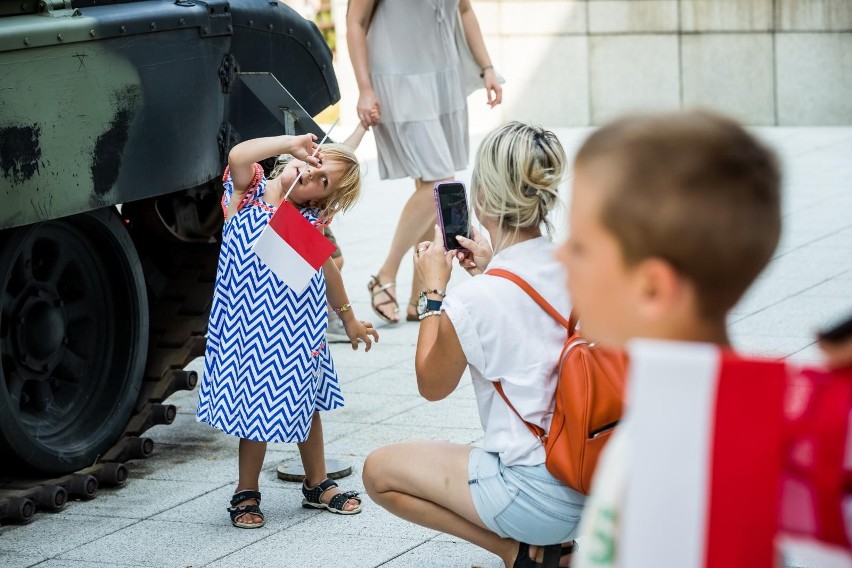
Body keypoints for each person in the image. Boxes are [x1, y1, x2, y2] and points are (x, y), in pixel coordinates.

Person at [554, 110, 783, 567]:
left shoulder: (677, 458)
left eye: (579, 245)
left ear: (653, 289)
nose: (560, 256)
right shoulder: (718, 417)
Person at [362, 122, 584, 568]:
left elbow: (432, 385)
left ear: (481, 198)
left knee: (378, 472)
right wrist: (491, 269)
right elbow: (529, 318)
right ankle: (556, 550)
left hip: (532, 497)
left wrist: (433, 295)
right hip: (596, 482)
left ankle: (518, 551)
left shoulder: (475, 299)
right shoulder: (578, 264)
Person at [196, 129, 380, 528]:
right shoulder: (249, 194)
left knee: (307, 403)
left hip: (296, 330)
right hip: (247, 331)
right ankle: (246, 490)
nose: (312, 173)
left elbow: (327, 268)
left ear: (319, 199)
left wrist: (347, 317)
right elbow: (239, 154)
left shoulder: (303, 219)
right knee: (253, 409)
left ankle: (317, 483)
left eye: (323, 179)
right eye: (315, 163)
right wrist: (289, 143)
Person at [347, 0, 503, 324]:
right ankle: (385, 274)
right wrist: (364, 88)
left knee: (429, 187)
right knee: (441, 181)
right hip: (397, 80)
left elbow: (463, 10)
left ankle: (419, 297)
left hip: (444, 79)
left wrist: (487, 67)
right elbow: (355, 22)